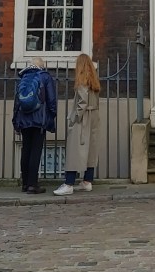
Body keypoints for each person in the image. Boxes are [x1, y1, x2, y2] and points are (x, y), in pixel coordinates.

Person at [53, 53, 100, 196]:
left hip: (84, 118)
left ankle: (69, 183)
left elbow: (82, 102)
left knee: (74, 151)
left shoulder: (82, 81)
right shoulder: (94, 81)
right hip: (93, 118)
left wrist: (75, 118)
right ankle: (87, 181)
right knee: (91, 151)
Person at [12, 56, 57, 195]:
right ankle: (33, 184)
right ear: (42, 66)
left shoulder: (23, 77)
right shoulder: (45, 77)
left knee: (26, 150)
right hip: (39, 120)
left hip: (24, 119)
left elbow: (17, 102)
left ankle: (25, 183)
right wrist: (53, 114)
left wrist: (16, 121)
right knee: (35, 151)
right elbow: (51, 99)